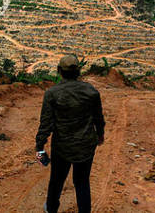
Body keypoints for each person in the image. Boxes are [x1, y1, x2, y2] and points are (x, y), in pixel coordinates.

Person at [35, 55, 105, 213]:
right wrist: (100, 135)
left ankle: (51, 209)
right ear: (79, 71)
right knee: (82, 182)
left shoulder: (52, 93)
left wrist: (40, 147)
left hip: (62, 147)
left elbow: (46, 124)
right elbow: (98, 118)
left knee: (56, 181)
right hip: (86, 145)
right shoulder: (91, 92)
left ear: (59, 71)